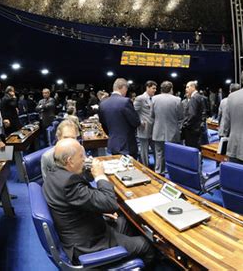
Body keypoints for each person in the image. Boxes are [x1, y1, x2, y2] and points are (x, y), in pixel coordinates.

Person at [42, 138, 155, 266]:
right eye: (81, 156)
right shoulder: (68, 183)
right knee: (147, 245)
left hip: (85, 228)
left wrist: (99, 211)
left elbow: (77, 202)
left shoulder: (54, 174)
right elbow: (109, 203)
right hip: (89, 245)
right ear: (70, 161)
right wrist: (100, 176)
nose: (85, 159)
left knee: (126, 221)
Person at [99, 78, 141, 157]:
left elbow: (103, 124)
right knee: (131, 169)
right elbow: (136, 122)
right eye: (126, 89)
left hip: (112, 144)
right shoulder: (125, 101)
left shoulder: (103, 103)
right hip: (127, 146)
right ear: (123, 87)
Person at [151, 81, 184, 174]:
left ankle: (159, 172)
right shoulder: (177, 100)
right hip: (172, 132)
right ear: (171, 89)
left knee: (158, 153)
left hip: (158, 130)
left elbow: (152, 115)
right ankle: (171, 173)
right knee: (172, 153)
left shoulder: (154, 99)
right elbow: (181, 116)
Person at [133, 81, 157, 167]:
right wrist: (139, 122)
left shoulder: (154, 98)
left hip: (154, 129)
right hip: (144, 129)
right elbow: (132, 112)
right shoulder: (140, 98)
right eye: (153, 88)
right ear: (147, 87)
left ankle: (156, 170)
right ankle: (145, 169)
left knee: (156, 150)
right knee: (144, 152)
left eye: (155, 88)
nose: (155, 90)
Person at [181, 81, 207, 149]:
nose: (186, 89)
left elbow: (192, 114)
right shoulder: (200, 97)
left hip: (192, 130)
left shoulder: (194, 98)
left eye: (187, 87)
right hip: (198, 128)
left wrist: (185, 125)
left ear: (193, 87)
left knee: (191, 149)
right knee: (197, 148)